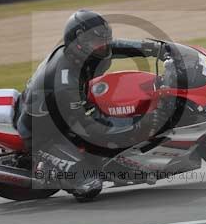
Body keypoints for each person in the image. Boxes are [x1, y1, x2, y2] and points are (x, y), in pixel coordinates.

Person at [16, 10, 161, 200]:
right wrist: (137, 126)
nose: (103, 46)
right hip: (47, 133)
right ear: (78, 43)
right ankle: (49, 170)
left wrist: (154, 48)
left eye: (104, 40)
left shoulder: (83, 55)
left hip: (69, 109)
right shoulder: (64, 82)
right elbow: (88, 128)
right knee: (90, 186)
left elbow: (115, 46)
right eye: (96, 42)